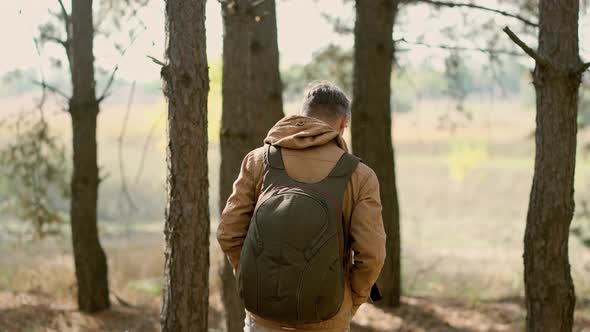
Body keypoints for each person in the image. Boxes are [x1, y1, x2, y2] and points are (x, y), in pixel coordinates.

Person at [217, 81, 386, 332]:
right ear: (343, 124)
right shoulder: (360, 176)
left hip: (263, 316)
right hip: (327, 317)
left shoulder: (258, 161)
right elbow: (371, 255)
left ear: (302, 116)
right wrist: (349, 302)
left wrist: (254, 277)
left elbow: (228, 233)